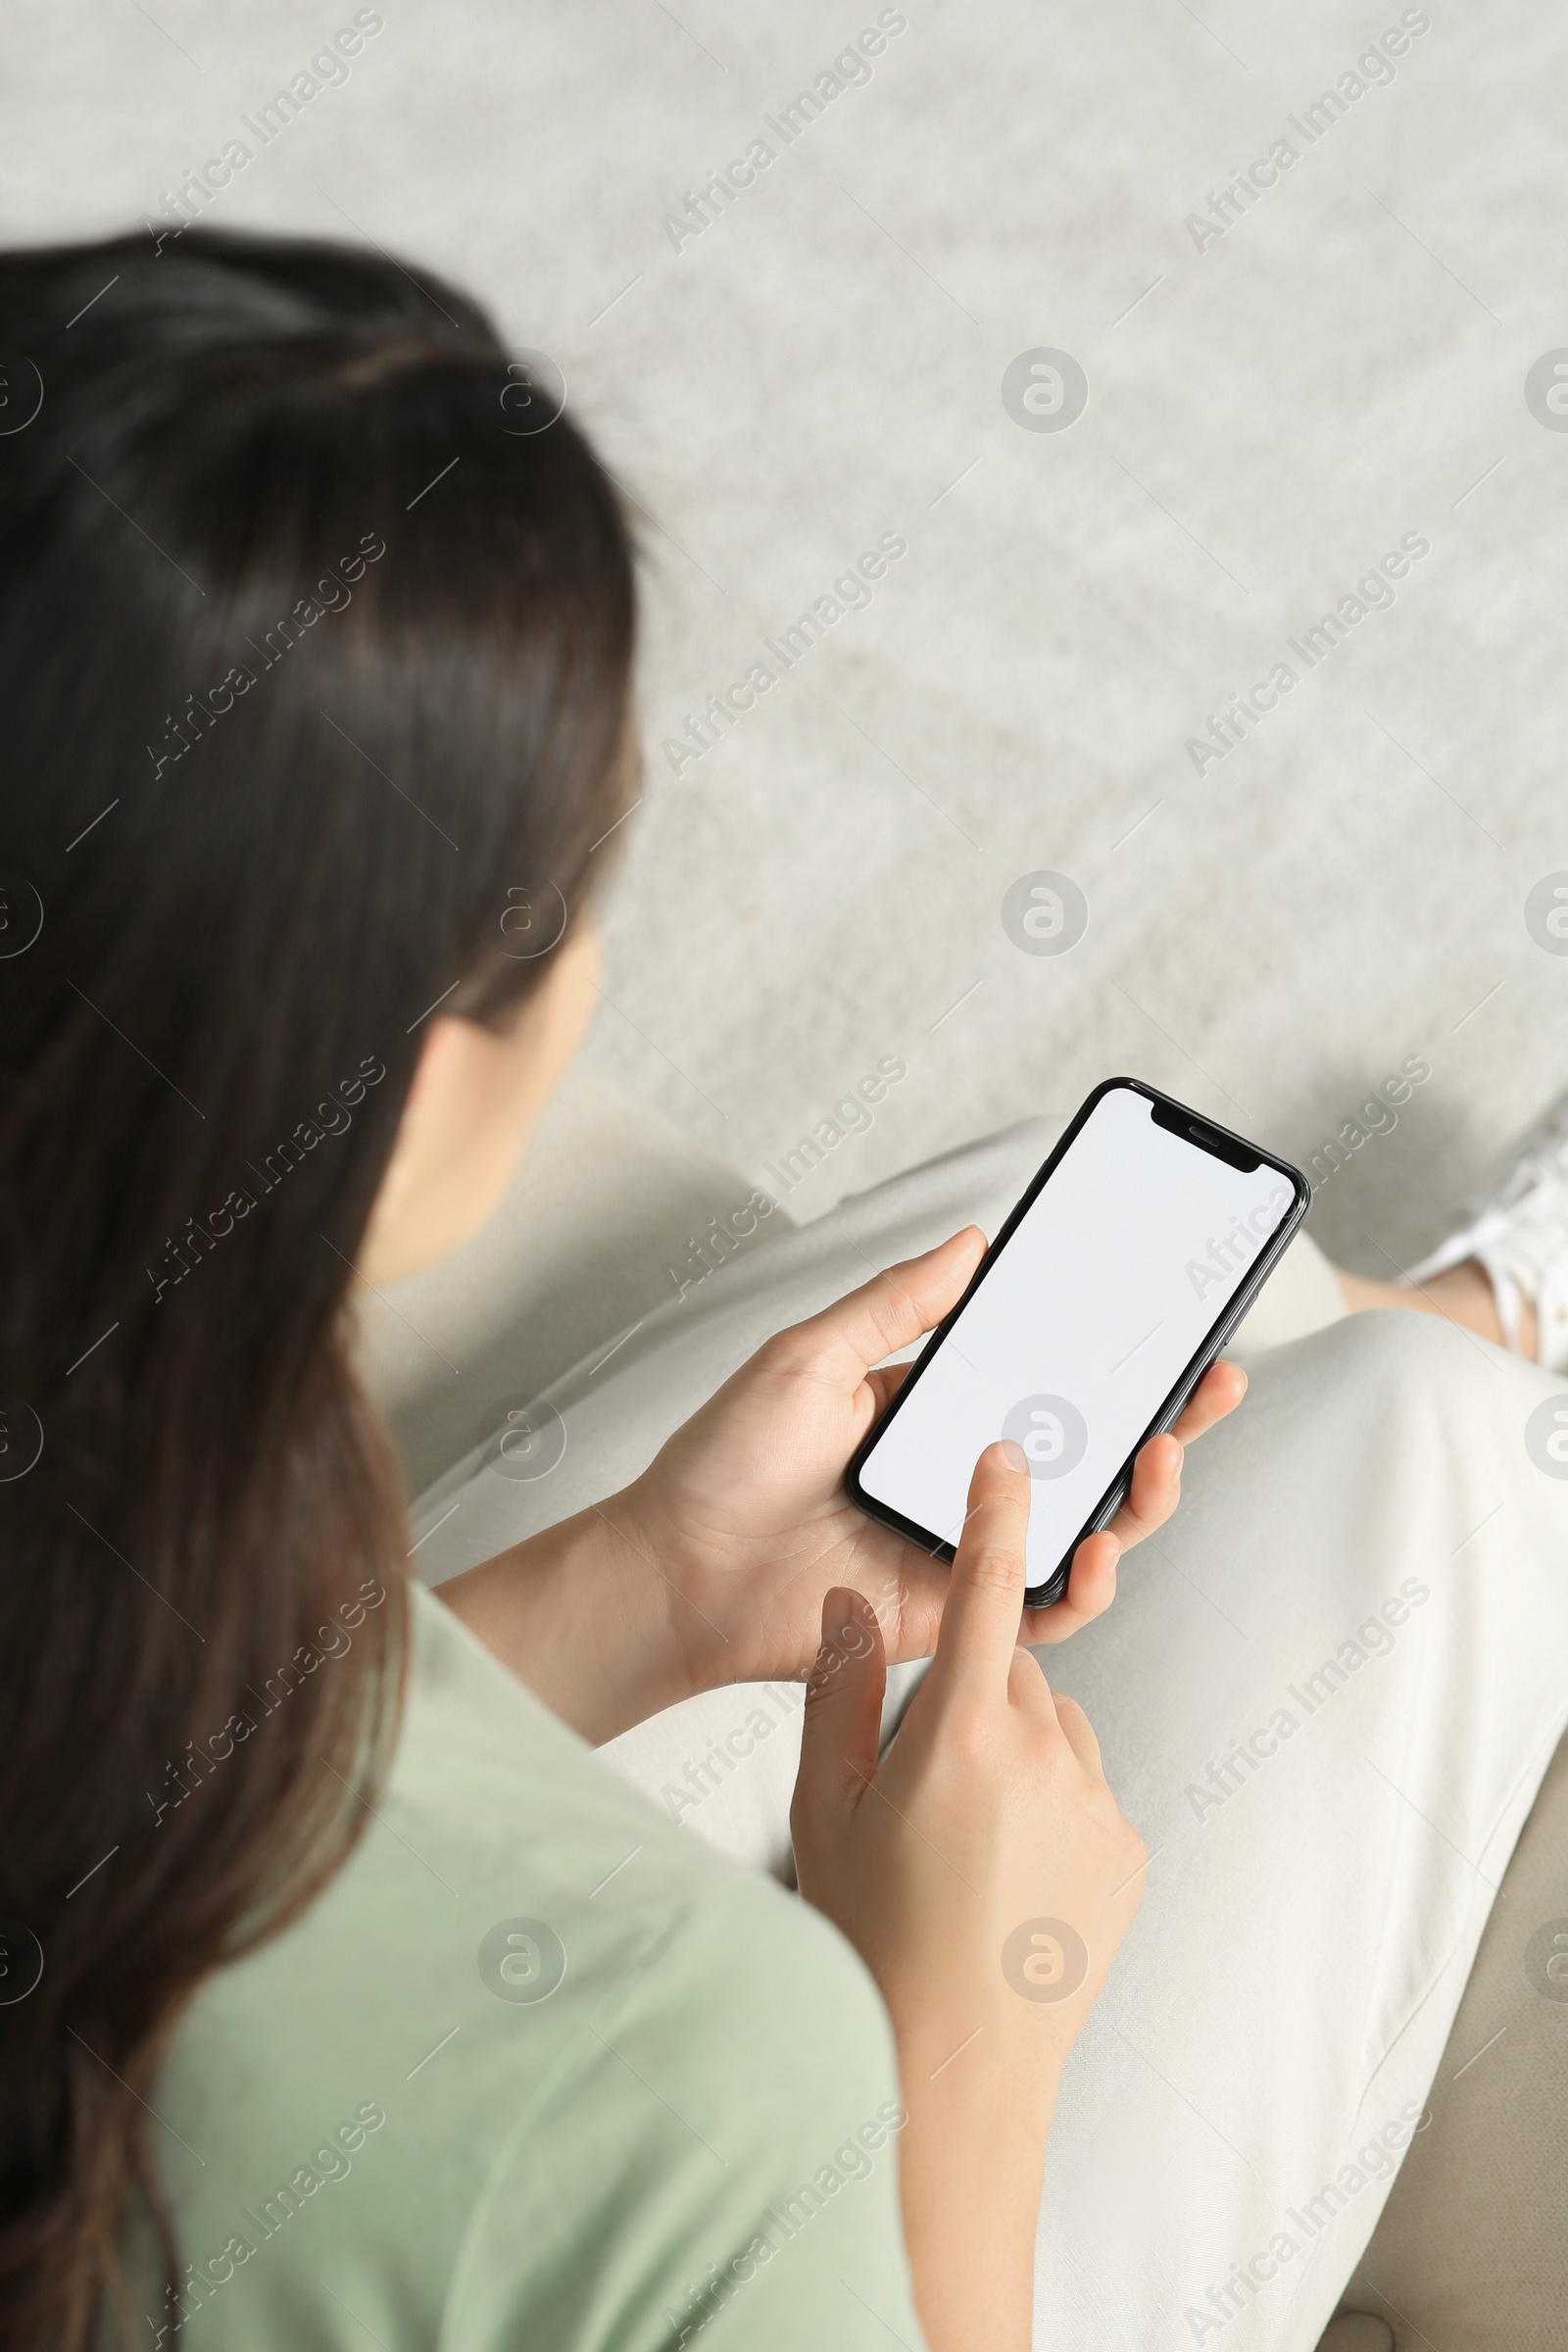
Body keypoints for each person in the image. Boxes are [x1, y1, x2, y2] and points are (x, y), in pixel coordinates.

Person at [1, 229, 1564, 2352]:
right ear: (399, 1089)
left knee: (1065, 1230)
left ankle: (1455, 1307)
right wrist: (958, 2050)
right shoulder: (714, 2097)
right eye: (561, 908)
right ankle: (1492, 1341)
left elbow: (126, 1838)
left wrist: (651, 1586)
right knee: (1424, 1451)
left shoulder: (124, 1577)